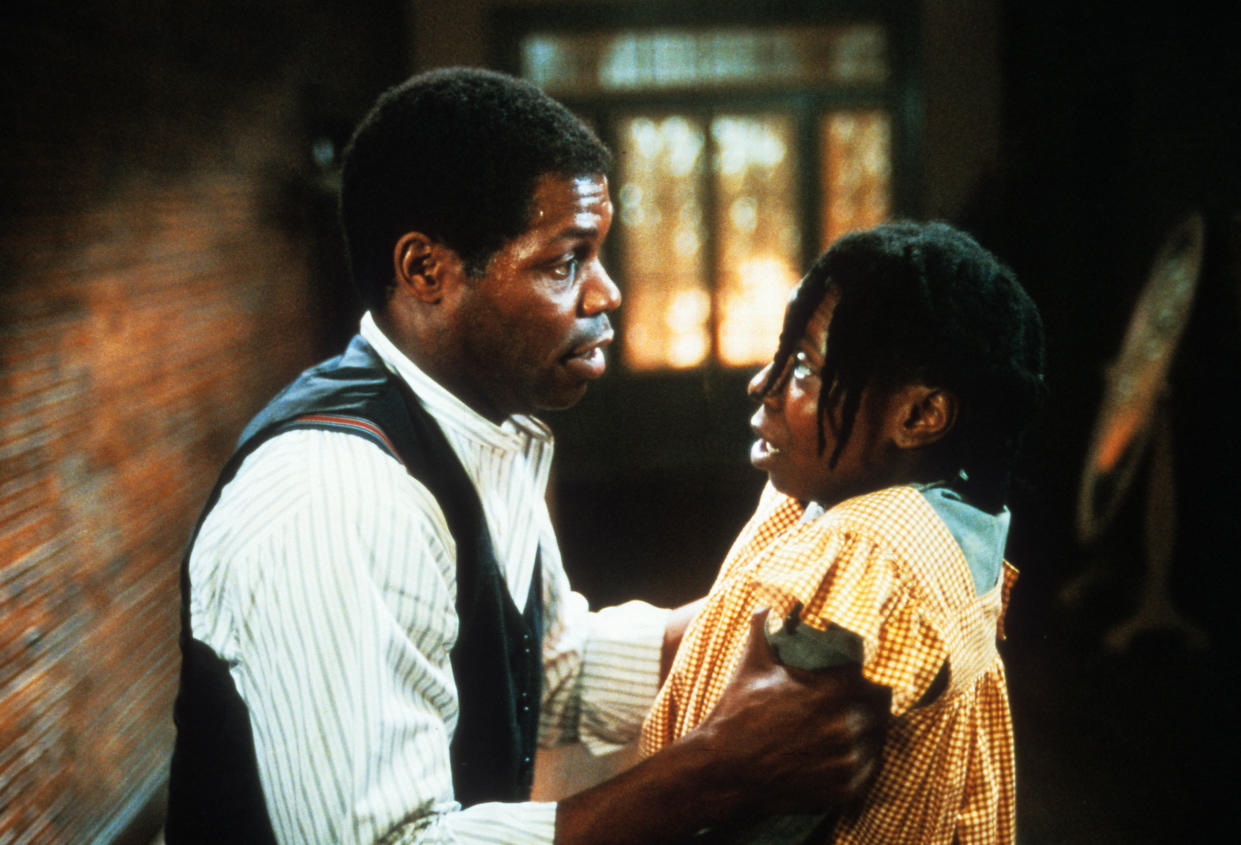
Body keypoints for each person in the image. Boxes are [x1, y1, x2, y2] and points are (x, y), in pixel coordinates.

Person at [165, 67, 890, 844]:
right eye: (562, 262)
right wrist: (716, 770)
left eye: (596, 254)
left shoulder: (480, 424)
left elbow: (545, 675)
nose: (606, 293)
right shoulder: (337, 498)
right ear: (426, 272)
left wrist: (784, 611)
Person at [641, 221, 1047, 844]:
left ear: (918, 415)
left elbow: (752, 817)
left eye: (803, 366)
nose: (763, 383)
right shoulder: (922, 517)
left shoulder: (868, 550)